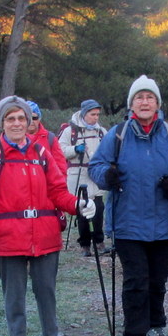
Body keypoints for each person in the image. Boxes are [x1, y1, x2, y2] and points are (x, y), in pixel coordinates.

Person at [0, 96, 95, 336]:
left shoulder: (41, 153)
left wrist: (78, 205)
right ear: (2, 123)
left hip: (45, 235)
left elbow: (58, 191)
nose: (16, 123)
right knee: (14, 295)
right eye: (10, 118)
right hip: (7, 238)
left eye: (21, 118)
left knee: (46, 291)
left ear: (29, 121)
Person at [89, 76, 168, 336]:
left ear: (158, 103)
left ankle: (156, 325)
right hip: (128, 222)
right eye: (139, 97)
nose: (145, 102)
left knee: (158, 280)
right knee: (136, 280)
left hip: (164, 221)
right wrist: (106, 176)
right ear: (131, 104)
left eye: (150, 97)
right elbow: (97, 166)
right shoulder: (117, 134)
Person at [59, 99, 109, 257]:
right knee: (83, 210)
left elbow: (109, 149)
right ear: (84, 114)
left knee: (99, 209)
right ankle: (85, 245)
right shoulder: (70, 132)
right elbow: (60, 150)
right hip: (78, 175)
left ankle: (99, 242)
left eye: (97, 115)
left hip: (97, 175)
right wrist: (75, 149)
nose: (95, 118)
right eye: (92, 114)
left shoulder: (101, 131)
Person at [25, 100, 68, 176]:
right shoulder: (16, 140)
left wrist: (59, 185)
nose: (31, 121)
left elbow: (61, 167)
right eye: (27, 118)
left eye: (34, 118)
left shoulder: (50, 138)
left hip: (45, 184)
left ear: (39, 118)